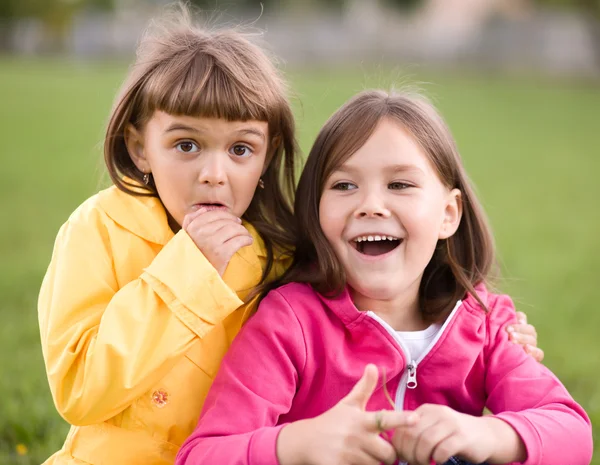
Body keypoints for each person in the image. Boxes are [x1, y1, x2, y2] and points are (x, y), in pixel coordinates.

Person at [176, 90, 592, 465]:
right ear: (316, 213)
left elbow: (572, 432)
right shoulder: (289, 323)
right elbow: (201, 455)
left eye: (399, 184)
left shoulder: (484, 323)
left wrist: (484, 433)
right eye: (344, 185)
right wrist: (296, 445)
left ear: (448, 214)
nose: (371, 204)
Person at [37, 7, 299, 465]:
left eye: (241, 149)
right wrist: (191, 272)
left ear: (267, 155)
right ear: (140, 148)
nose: (214, 175)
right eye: (186, 145)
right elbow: (79, 390)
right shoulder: (97, 230)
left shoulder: (275, 260)